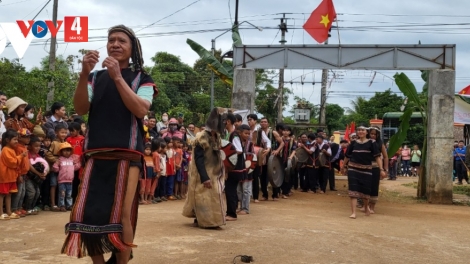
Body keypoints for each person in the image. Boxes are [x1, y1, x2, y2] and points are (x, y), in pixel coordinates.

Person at [61, 24, 157, 264]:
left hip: (127, 155)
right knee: (88, 214)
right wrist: (84, 74)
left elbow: (140, 108)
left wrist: (116, 77)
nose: (115, 44)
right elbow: (81, 109)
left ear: (132, 48)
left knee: (122, 215)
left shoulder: (142, 78)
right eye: (111, 40)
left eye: (122, 41)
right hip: (95, 154)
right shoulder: (94, 77)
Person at [182, 107, 229, 229]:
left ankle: (213, 220)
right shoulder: (201, 137)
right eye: (223, 121)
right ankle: (204, 220)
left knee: (215, 195)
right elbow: (198, 159)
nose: (224, 123)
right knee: (203, 196)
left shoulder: (216, 136)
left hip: (215, 172)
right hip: (203, 172)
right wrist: (204, 177)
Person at [342, 125, 386, 219]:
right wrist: (343, 166)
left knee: (365, 191)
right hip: (353, 169)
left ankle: (366, 207)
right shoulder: (353, 143)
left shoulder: (372, 143)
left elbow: (377, 157)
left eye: (363, 130)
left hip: (366, 169)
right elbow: (347, 156)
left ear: (366, 132)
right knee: (353, 190)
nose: (360, 132)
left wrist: (381, 169)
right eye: (359, 130)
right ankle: (353, 212)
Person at [0, 129, 26, 220]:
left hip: (11, 176)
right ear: (7, 140)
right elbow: (12, 162)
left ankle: (9, 212)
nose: (16, 141)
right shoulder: (5, 150)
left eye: (17, 139)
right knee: (2, 194)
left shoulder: (11, 149)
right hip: (5, 176)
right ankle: (1, 213)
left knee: (9, 194)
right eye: (14, 139)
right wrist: (21, 156)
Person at [52, 142, 81, 212]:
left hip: (70, 181)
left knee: (69, 194)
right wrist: (56, 164)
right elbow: (55, 169)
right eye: (64, 150)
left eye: (68, 150)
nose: (66, 152)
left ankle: (69, 205)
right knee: (62, 194)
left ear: (71, 151)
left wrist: (80, 163)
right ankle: (61, 205)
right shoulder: (60, 160)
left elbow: (75, 168)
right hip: (62, 181)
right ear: (61, 152)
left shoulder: (72, 159)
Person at [367, 127, 388, 214]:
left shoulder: (380, 144)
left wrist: (385, 169)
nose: (372, 135)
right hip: (365, 166)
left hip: (376, 167)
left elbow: (385, 157)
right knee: (366, 186)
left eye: (374, 134)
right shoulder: (365, 142)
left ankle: (372, 206)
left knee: (374, 187)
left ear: (378, 135)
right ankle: (366, 205)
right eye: (371, 134)